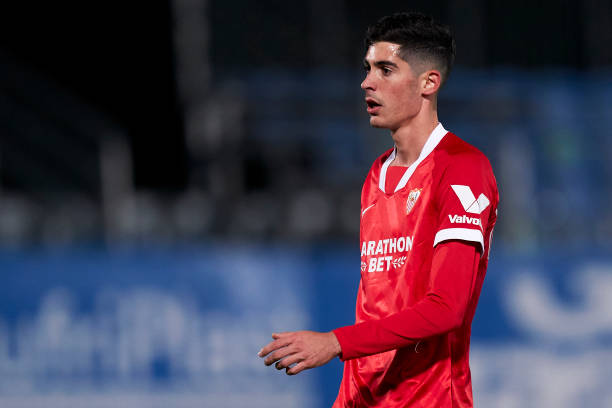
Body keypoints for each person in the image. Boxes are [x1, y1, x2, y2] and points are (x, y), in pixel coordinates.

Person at [258, 11, 499, 407]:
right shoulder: (377, 174)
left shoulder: (462, 169)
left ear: (429, 82)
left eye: (386, 69)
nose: (367, 82)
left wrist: (337, 342)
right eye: (368, 68)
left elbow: (446, 309)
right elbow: (374, 303)